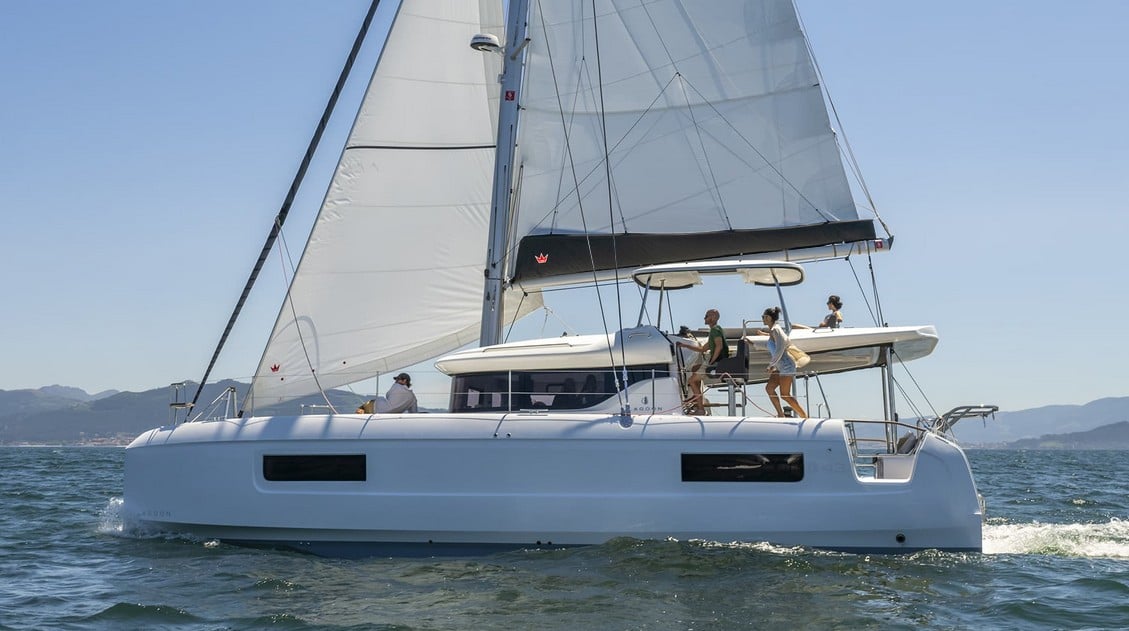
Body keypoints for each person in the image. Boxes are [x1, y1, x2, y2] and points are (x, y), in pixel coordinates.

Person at [755, 306, 807, 418]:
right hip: (780, 367)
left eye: (763, 317)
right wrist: (751, 343)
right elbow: (770, 345)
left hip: (786, 366)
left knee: (785, 394)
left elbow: (780, 347)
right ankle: (780, 414)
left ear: (768, 317)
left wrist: (771, 365)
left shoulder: (776, 329)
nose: (762, 319)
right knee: (769, 388)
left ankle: (804, 416)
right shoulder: (773, 331)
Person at [676, 308, 729, 414]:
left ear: (713, 317)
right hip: (716, 361)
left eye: (706, 316)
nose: (704, 318)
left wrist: (711, 363)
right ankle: (697, 397)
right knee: (695, 368)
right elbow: (702, 349)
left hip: (716, 362)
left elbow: (719, 346)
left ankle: (700, 409)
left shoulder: (715, 330)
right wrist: (684, 345)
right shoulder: (715, 330)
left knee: (691, 380)